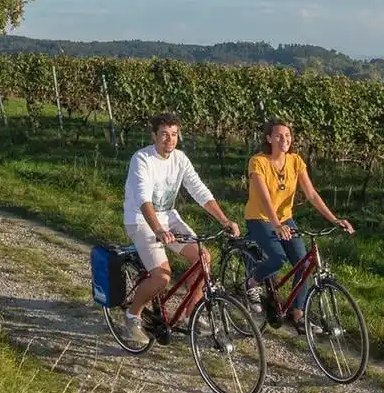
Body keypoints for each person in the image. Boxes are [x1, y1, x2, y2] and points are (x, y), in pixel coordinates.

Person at [121, 111, 239, 342]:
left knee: (203, 258)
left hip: (168, 217)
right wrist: (158, 230)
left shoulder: (180, 159)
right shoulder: (142, 159)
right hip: (141, 220)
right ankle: (131, 317)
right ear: (154, 136)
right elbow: (144, 200)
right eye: (164, 134)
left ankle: (190, 314)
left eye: (174, 134)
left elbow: (199, 190)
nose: (170, 140)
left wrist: (224, 220)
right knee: (162, 277)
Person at [244, 118, 354, 332]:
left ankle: (298, 314)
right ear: (269, 138)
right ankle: (253, 283)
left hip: (285, 218)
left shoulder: (295, 161)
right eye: (278, 135)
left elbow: (311, 194)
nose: (284, 139)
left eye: (287, 135)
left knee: (303, 264)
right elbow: (264, 197)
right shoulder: (258, 162)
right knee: (277, 257)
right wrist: (276, 224)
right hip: (260, 218)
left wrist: (334, 219)